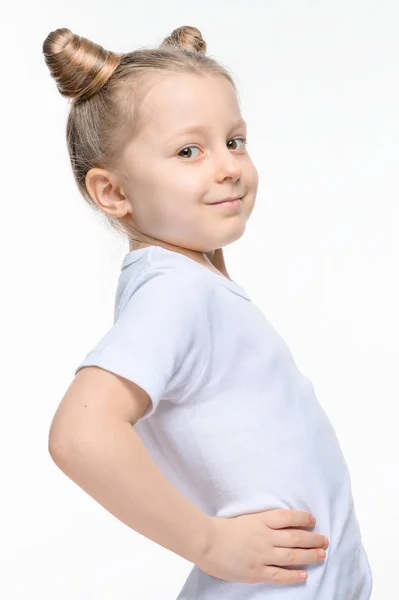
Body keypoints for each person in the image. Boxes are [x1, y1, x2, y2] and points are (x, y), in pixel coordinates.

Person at [44, 25, 373, 599]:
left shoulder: (193, 285)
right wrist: (208, 543)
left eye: (235, 141)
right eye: (189, 150)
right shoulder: (174, 293)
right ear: (113, 193)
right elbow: (81, 433)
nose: (227, 167)